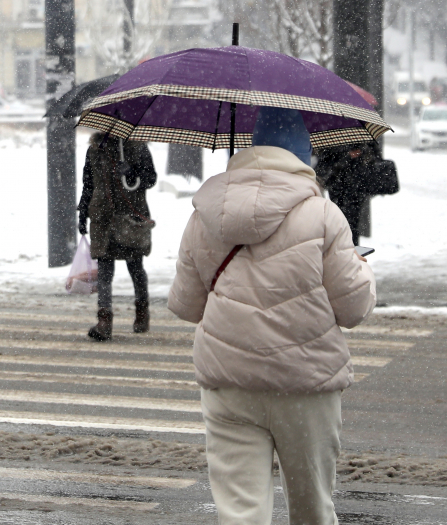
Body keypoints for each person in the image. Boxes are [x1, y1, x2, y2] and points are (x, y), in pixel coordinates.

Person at [168, 106, 376, 525]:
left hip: (230, 384)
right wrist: (360, 267)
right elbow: (353, 309)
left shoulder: (206, 214)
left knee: (240, 512)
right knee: (312, 508)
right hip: (305, 385)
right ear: (303, 155)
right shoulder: (322, 215)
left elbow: (186, 306)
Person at [77, 133, 157, 340]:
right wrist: (83, 212)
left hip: (130, 216)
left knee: (135, 266)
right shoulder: (95, 150)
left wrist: (132, 174)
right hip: (103, 217)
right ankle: (104, 321)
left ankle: (142, 312)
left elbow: (151, 179)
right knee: (105, 269)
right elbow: (88, 183)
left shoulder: (137, 148)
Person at [315, 141, 399, 246]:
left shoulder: (358, 132)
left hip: (356, 183)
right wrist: (346, 156)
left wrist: (362, 153)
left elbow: (374, 154)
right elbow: (325, 159)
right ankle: (346, 251)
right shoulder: (334, 137)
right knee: (340, 221)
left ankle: (351, 251)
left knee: (351, 222)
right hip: (338, 183)